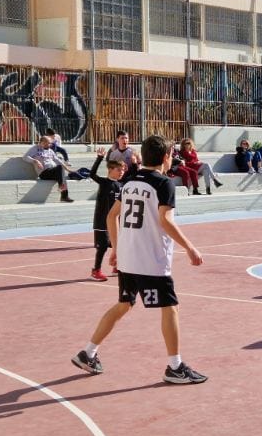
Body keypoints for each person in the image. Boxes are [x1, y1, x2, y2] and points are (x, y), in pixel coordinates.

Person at [73, 135, 208, 384]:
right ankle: (175, 367)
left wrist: (116, 248)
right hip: (150, 261)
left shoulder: (128, 182)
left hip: (128, 258)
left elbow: (111, 216)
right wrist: (190, 247)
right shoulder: (164, 184)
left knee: (124, 304)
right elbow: (166, 220)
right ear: (166, 157)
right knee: (170, 308)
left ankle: (88, 352)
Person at [86, 151, 126, 281]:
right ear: (110, 170)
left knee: (119, 245)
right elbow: (92, 174)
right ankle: (96, 270)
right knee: (102, 247)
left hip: (116, 222)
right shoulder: (104, 183)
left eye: (123, 170)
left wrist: (137, 164)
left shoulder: (121, 185)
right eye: (118, 170)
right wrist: (99, 158)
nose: (121, 172)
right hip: (102, 222)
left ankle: (117, 266)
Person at [23, 135, 75, 203]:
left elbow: (57, 160)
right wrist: (35, 161)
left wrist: (67, 169)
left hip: (53, 171)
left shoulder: (50, 150)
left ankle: (64, 195)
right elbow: (25, 157)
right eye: (48, 143)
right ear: (42, 142)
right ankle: (64, 195)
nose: (50, 145)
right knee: (60, 171)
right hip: (44, 173)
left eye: (50, 143)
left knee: (61, 172)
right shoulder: (35, 148)